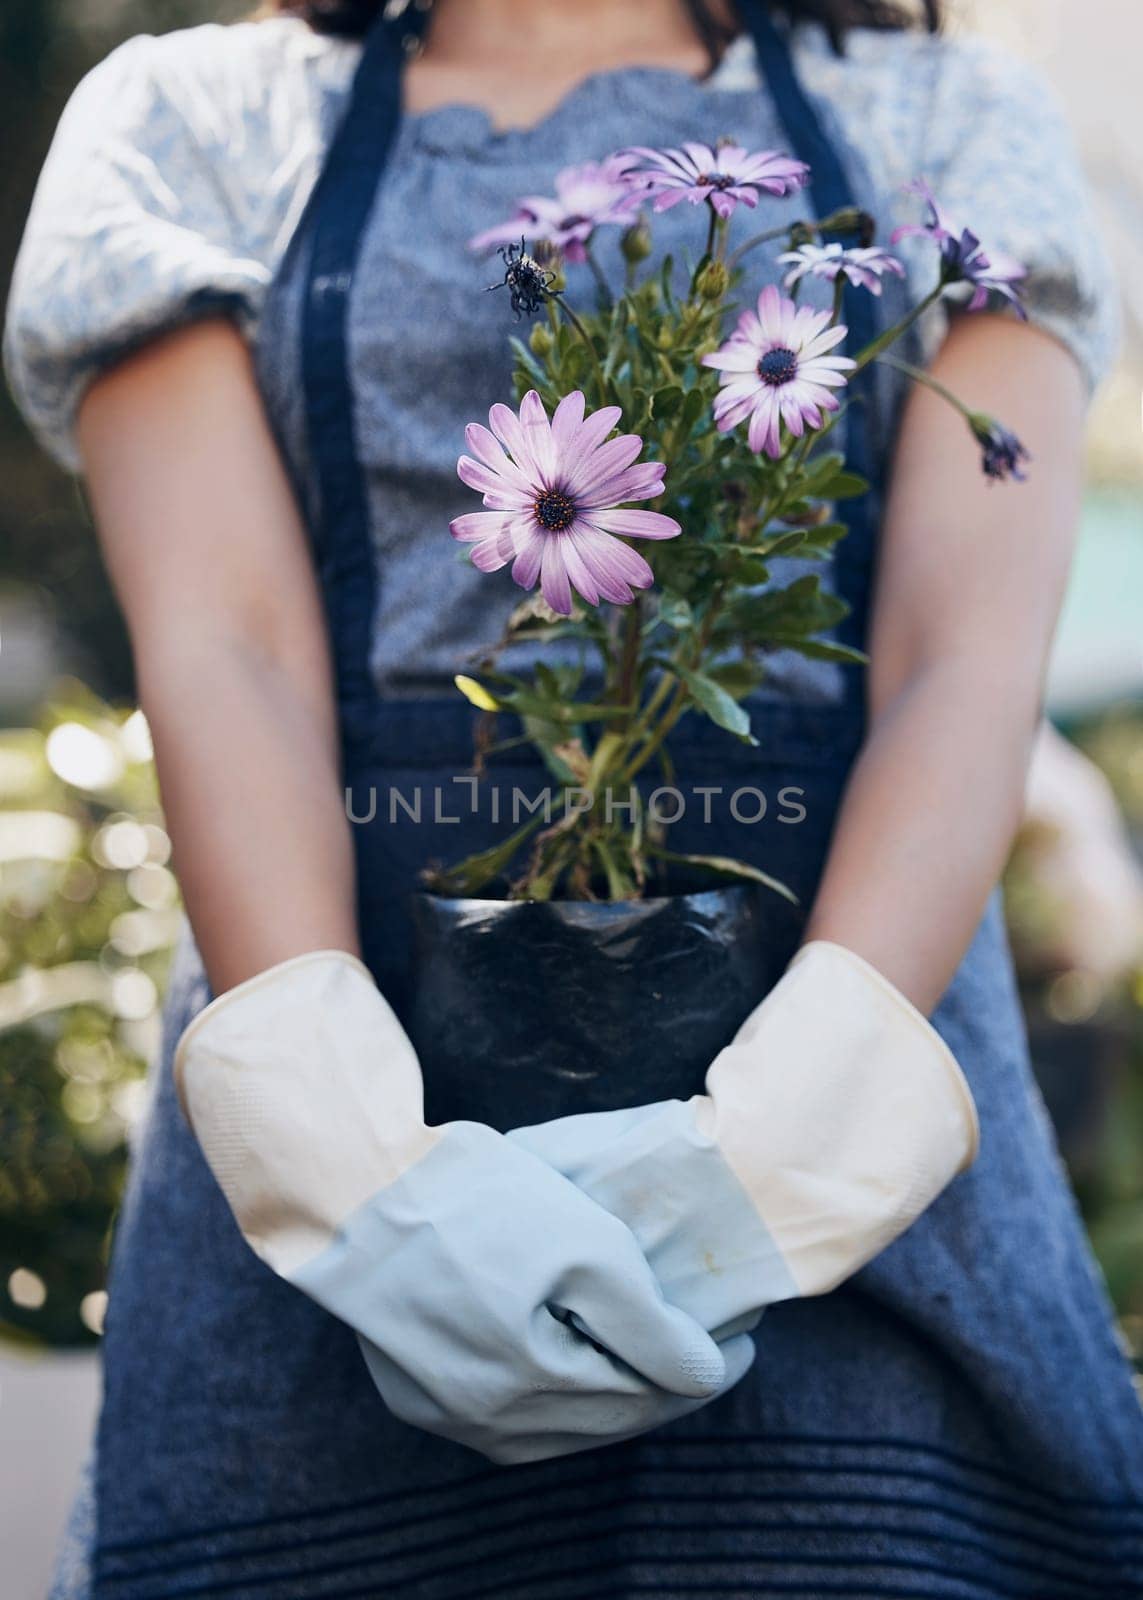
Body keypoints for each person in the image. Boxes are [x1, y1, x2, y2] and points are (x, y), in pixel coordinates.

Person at [6, 0, 1143, 1594]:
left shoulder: (951, 128)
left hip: (869, 1196)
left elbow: (960, 663)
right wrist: (350, 1177)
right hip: (345, 1168)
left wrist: (789, 1165)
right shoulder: (194, 130)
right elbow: (227, 650)